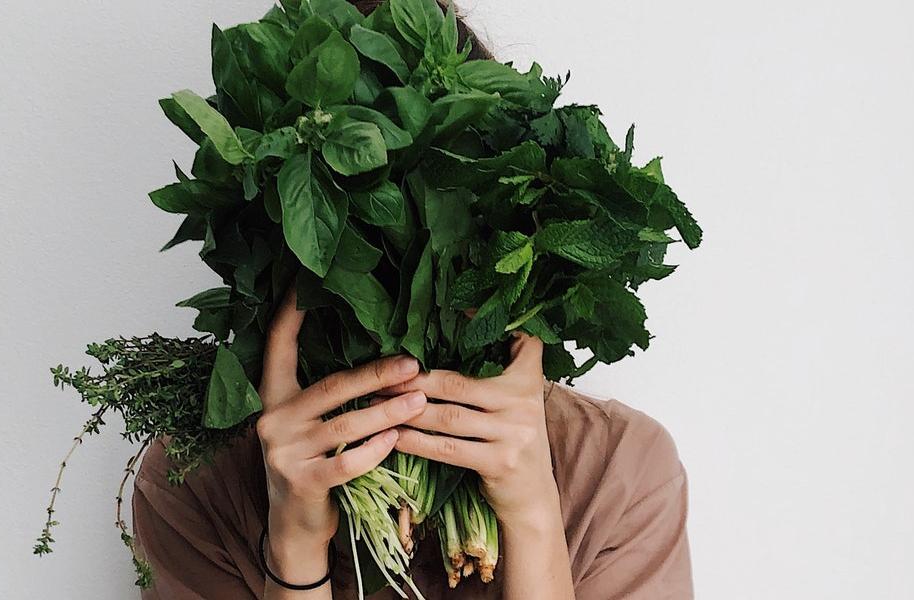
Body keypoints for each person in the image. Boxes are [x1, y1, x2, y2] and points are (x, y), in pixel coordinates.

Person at [132, 3, 692, 598]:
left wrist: (533, 518)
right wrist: (293, 548)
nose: (401, 322)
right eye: (358, 264)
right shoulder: (195, 483)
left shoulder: (617, 474)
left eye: (430, 246)